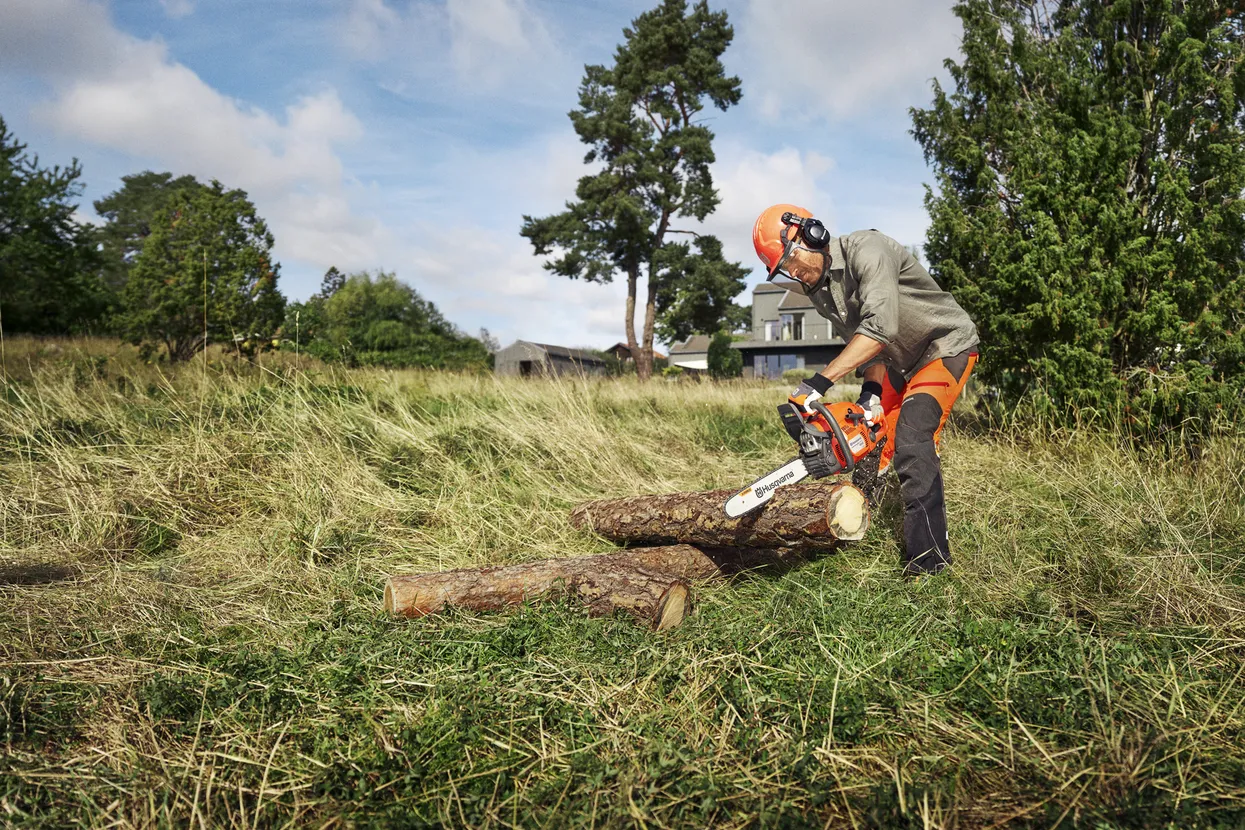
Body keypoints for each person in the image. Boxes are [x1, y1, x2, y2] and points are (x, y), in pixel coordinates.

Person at [752, 203, 980, 576]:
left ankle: (929, 561)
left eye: (793, 261)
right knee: (870, 436)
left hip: (943, 347)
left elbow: (879, 328)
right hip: (896, 360)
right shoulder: (819, 290)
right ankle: (858, 522)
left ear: (813, 235)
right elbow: (864, 339)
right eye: (785, 271)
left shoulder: (867, 251)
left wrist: (817, 384)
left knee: (911, 436)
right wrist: (870, 392)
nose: (795, 274)